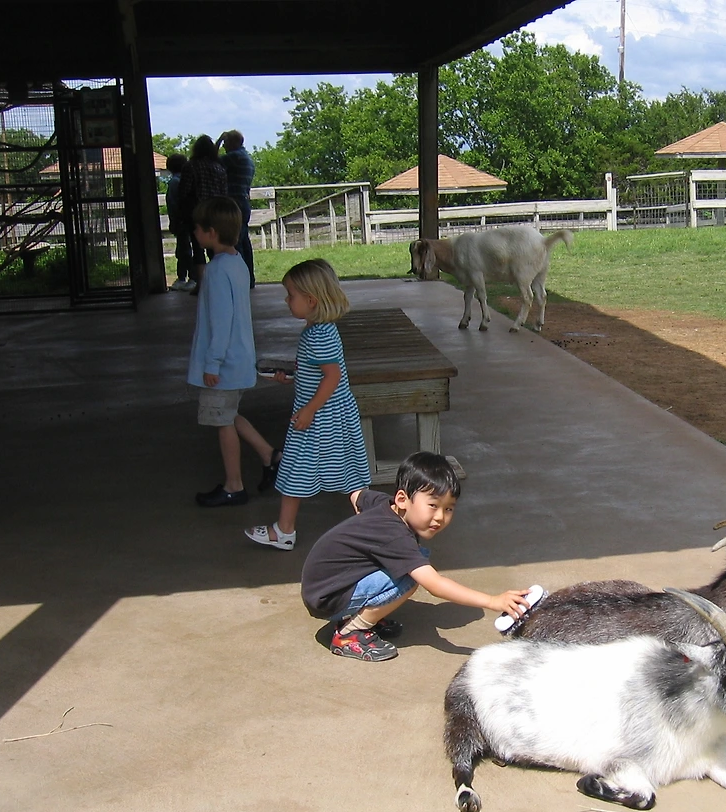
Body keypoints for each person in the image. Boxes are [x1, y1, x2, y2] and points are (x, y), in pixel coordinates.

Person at [299, 452, 533, 662]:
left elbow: (358, 496)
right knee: (410, 577)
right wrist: (492, 601)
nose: (440, 517)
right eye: (433, 505)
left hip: (321, 586)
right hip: (327, 599)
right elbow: (435, 585)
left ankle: (365, 611)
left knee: (411, 560)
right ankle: (350, 632)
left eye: (448, 508)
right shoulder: (395, 536)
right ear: (402, 499)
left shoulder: (384, 504)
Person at [245, 258, 370, 550]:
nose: (286, 301)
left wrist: (310, 409)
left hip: (318, 417)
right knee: (349, 473)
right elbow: (319, 373)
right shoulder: (321, 330)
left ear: (311, 300)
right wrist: (292, 377)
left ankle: (284, 531)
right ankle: (370, 529)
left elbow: (332, 376)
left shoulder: (318, 336)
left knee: (295, 470)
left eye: (291, 295)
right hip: (331, 414)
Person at [186, 196, 276, 507]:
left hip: (223, 365)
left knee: (222, 422)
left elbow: (221, 321)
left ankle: (234, 486)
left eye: (198, 228)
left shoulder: (215, 271)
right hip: (238, 359)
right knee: (229, 414)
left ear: (211, 232)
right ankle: (269, 455)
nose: (195, 232)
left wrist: (212, 363)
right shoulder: (238, 263)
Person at [177, 135, 227, 291]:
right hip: (216, 213)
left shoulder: (190, 166)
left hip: (196, 213)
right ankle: (218, 283)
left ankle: (201, 285)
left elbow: (183, 192)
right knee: (216, 249)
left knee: (198, 249)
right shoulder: (219, 168)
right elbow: (224, 192)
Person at [218, 130, 256, 289]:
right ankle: (249, 278)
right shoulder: (246, 157)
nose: (224, 146)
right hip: (243, 202)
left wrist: (217, 141)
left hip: (235, 203)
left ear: (233, 142)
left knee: (235, 241)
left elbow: (212, 161)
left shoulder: (234, 157)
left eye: (225, 142)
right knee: (243, 240)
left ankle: (240, 279)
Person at [164, 153, 197, 292]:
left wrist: (175, 220)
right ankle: (187, 277)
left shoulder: (174, 182)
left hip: (180, 221)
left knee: (183, 250)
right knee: (185, 249)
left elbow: (173, 204)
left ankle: (187, 277)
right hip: (188, 219)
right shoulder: (186, 180)